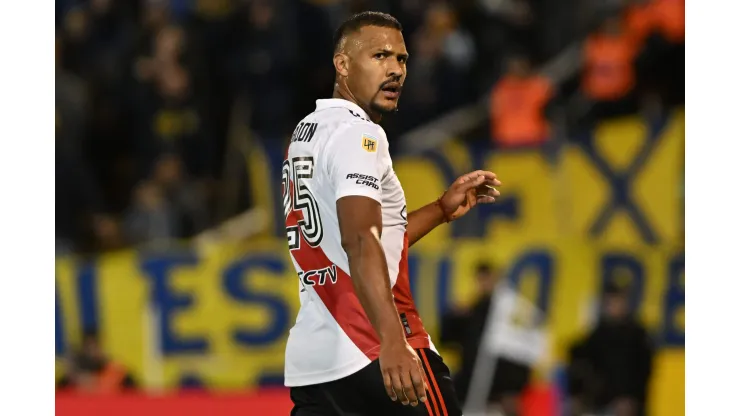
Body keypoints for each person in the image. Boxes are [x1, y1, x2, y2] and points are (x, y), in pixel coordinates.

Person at [283, 12, 502, 416]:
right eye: (380, 56)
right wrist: (392, 341)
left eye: (401, 59)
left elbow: (362, 240)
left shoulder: (307, 133)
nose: (395, 70)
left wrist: (439, 209)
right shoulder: (360, 134)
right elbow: (360, 240)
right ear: (342, 64)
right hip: (376, 347)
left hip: (317, 362)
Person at [440, 263, 532, 415]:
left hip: (500, 383)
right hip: (472, 381)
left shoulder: (512, 312)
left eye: (488, 278)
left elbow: (521, 349)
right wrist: (453, 317)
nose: (484, 283)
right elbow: (449, 340)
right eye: (481, 279)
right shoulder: (473, 310)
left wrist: (512, 388)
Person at [566, 285, 654, 416]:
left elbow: (643, 372)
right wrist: (578, 394)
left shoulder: (637, 335)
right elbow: (581, 363)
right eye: (609, 303)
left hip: (626, 405)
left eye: (617, 302)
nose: (613, 307)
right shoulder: (597, 334)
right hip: (601, 403)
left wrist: (630, 398)